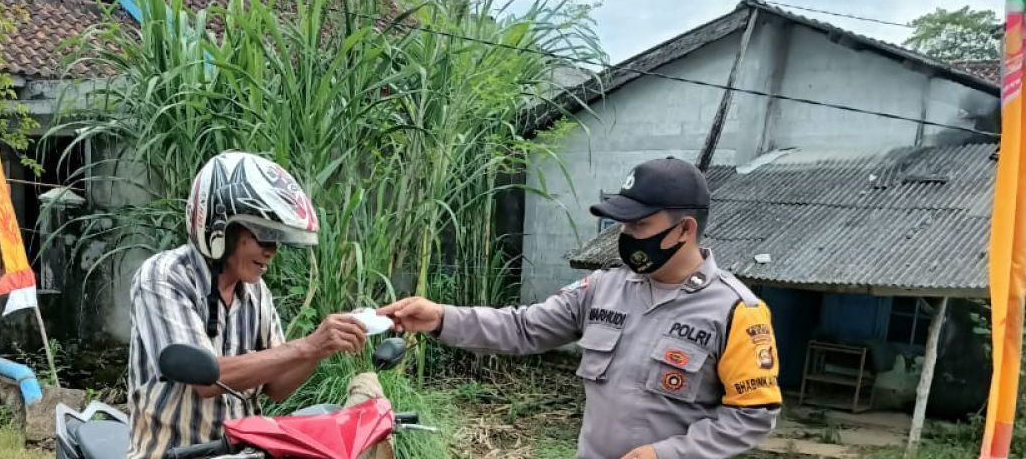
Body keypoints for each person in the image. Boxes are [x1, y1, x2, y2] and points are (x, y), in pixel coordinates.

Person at [379, 156, 782, 459]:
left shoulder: (736, 311)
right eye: (624, 225)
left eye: (639, 226)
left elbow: (752, 415)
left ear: (685, 229)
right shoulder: (603, 288)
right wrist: (441, 318)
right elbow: (524, 328)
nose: (626, 236)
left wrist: (668, 454)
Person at [127, 151, 368, 459]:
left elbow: (277, 388)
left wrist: (322, 348)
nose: (271, 251)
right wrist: (306, 346)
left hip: (243, 454)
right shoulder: (163, 278)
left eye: (277, 240)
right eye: (264, 236)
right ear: (222, 228)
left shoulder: (256, 293)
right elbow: (205, 381)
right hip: (173, 454)